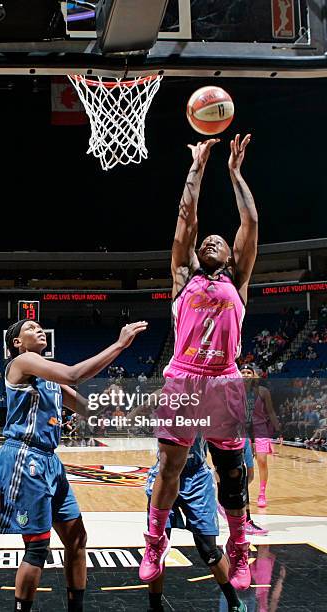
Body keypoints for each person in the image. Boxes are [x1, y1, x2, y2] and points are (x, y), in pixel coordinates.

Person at [139, 134, 258, 591]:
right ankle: (155, 541)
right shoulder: (184, 276)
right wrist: (198, 167)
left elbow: (249, 219)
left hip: (224, 379)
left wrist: (233, 172)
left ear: (231, 257)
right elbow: (186, 219)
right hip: (184, 379)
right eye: (206, 240)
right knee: (169, 467)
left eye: (219, 240)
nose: (211, 239)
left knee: (231, 472)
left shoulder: (238, 280)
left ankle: (240, 548)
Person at [0, 317, 147, 612]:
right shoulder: (22, 362)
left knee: (77, 539)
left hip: (50, 460)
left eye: (40, 326)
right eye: (29, 328)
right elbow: (74, 374)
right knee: (38, 547)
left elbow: (87, 410)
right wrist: (119, 345)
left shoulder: (50, 378)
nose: (38, 329)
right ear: (16, 343)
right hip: (24, 458)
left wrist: (109, 399)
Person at [146, 437, 246, 612]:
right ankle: (155, 607)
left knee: (209, 549)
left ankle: (234, 602)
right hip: (165, 473)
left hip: (197, 477)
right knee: (157, 547)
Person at [241, 364, 280, 508]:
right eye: (243, 372)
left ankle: (262, 493)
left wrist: (278, 431)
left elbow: (270, 412)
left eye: (248, 372)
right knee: (242, 465)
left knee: (262, 460)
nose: (245, 374)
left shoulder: (263, 391)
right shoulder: (234, 391)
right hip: (242, 430)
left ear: (253, 375)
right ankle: (239, 493)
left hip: (260, 429)